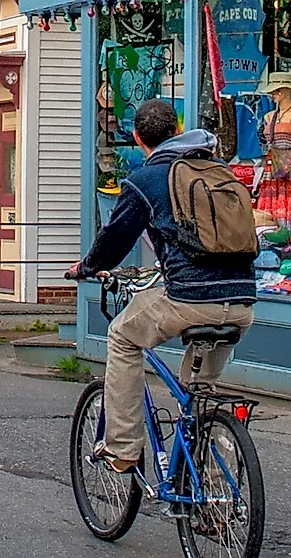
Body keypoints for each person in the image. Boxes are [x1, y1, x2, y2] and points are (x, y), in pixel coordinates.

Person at [67, 98, 255, 474]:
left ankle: (122, 447)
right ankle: (216, 486)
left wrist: (87, 267)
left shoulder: (147, 179)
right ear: (177, 130)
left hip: (189, 298)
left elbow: (115, 240)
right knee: (198, 394)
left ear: (138, 137)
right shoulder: (218, 169)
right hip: (242, 300)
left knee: (122, 336)